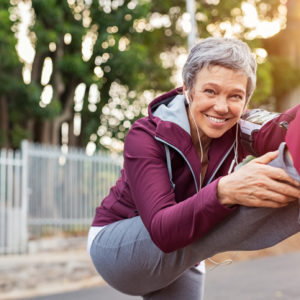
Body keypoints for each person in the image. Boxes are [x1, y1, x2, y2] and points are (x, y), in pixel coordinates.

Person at [88, 37, 300, 300]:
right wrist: (224, 191)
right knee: (254, 185)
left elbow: (282, 130)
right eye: (210, 91)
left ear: (246, 100)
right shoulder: (147, 135)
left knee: (287, 162)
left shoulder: (239, 129)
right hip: (118, 249)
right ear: (188, 90)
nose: (221, 107)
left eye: (235, 96)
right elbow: (162, 229)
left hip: (188, 246)